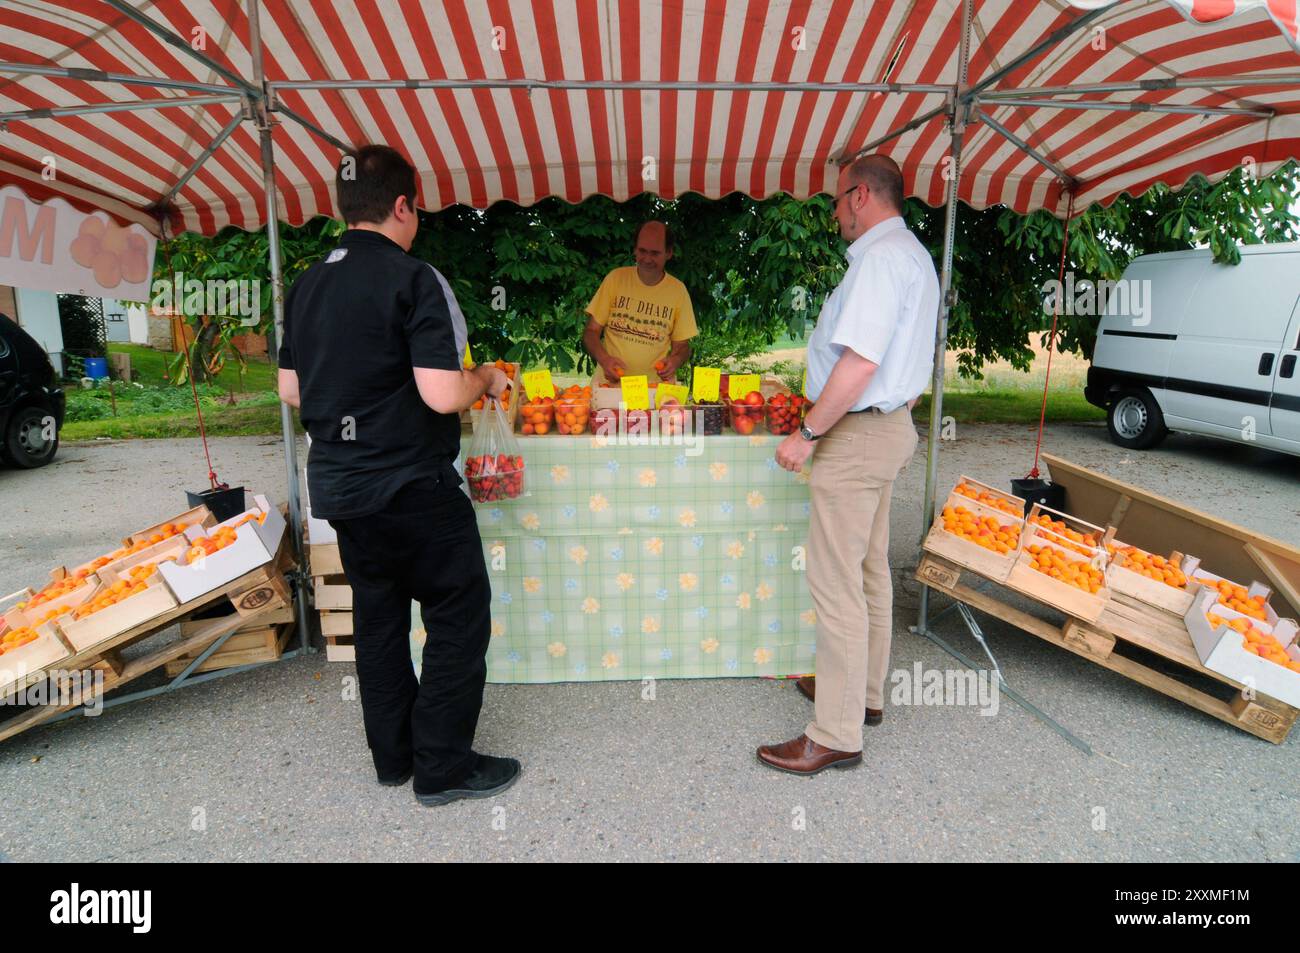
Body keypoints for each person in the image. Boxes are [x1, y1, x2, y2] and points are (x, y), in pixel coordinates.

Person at [277, 144, 520, 807]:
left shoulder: (306, 283)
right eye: (418, 208)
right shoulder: (413, 278)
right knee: (457, 614)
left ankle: (394, 759)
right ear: (404, 205)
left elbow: (291, 387)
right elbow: (442, 393)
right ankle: (441, 765)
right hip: (413, 487)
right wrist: (487, 378)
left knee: (378, 620)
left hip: (344, 492)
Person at [758, 154, 939, 776]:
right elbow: (908, 364)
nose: (834, 212)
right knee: (869, 572)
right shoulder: (913, 256)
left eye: (838, 200)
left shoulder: (880, 262)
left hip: (856, 436)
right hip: (887, 429)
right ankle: (862, 694)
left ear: (861, 196)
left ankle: (835, 733)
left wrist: (808, 432)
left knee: (835, 583)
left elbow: (860, 364)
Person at [582, 220, 698, 383]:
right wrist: (604, 359)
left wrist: (675, 361)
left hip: (654, 392)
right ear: (635, 249)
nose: (647, 259)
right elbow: (591, 332)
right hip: (609, 387)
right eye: (642, 251)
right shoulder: (615, 278)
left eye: (655, 253)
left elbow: (683, 347)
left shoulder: (678, 291)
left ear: (669, 253)